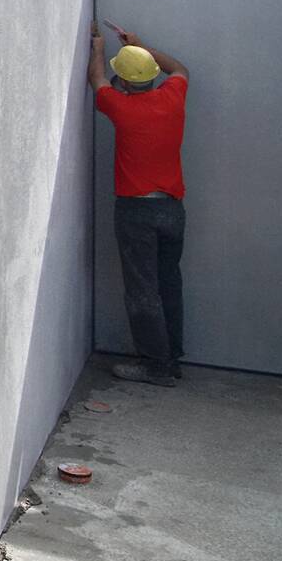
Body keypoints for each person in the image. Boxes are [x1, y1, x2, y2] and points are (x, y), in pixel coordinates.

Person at [88, 20, 190, 387]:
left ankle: (155, 367)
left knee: (143, 289)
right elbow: (179, 68)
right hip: (172, 210)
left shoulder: (122, 109)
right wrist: (142, 46)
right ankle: (171, 359)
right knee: (168, 284)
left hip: (138, 212)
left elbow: (97, 80)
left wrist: (98, 48)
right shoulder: (173, 96)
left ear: (127, 84)